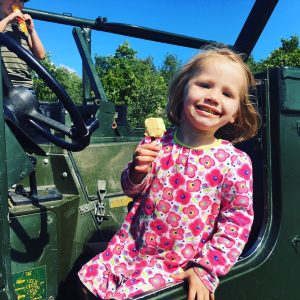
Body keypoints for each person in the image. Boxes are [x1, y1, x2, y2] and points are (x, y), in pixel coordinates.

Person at [78, 47, 260, 300]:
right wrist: (137, 172)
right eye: (205, 85)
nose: (214, 97)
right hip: (130, 248)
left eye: (227, 93)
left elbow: (236, 222)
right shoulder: (156, 144)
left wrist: (205, 268)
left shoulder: (234, 162)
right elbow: (132, 190)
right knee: (85, 286)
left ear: (236, 114)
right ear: (182, 91)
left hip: (177, 265)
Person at [0, 0, 45, 94]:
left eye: (21, 0)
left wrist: (31, 30)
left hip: (25, 86)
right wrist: (8, 19)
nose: (17, 2)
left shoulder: (22, 27)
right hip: (2, 84)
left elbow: (40, 55)